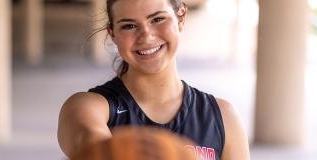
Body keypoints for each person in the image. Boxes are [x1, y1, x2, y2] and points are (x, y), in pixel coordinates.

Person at [57, 0, 250, 159]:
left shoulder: (224, 117)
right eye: (129, 26)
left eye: (157, 19)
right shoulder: (87, 108)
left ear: (181, 17)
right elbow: (96, 150)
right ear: (113, 34)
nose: (146, 36)